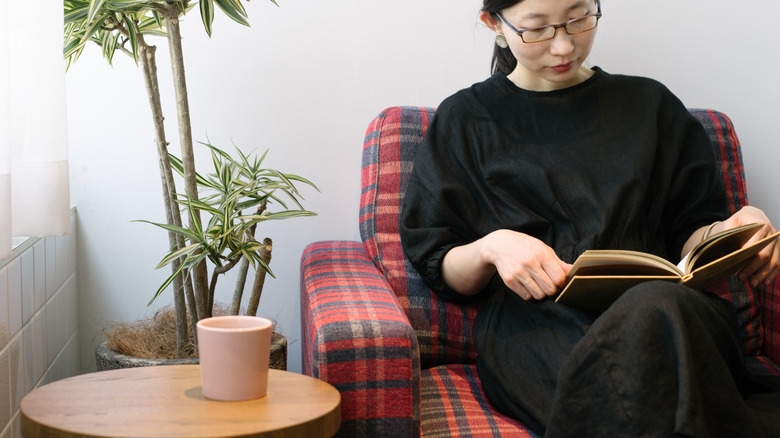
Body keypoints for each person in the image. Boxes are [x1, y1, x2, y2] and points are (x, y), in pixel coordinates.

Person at [399, 0, 780, 436]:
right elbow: (439, 264)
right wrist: (492, 247)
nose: (563, 47)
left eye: (579, 19)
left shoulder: (650, 104)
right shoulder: (464, 120)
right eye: (537, 29)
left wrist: (735, 231)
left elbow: (694, 232)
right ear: (495, 24)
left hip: (670, 310)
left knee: (654, 310)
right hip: (538, 326)